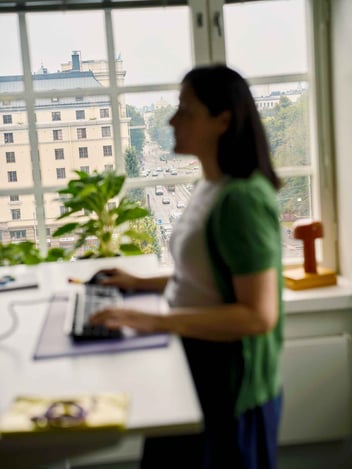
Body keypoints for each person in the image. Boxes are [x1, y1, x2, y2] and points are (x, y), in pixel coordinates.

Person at [90, 64, 284, 469]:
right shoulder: (208, 188)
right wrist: (141, 283)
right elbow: (203, 279)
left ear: (222, 120)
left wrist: (151, 321)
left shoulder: (243, 200)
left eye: (185, 109)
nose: (172, 120)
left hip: (231, 391)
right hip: (194, 370)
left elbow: (258, 315)